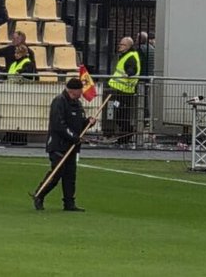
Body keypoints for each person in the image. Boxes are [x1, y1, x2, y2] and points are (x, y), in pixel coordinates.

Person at [31, 76, 94, 212]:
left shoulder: (77, 104)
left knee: (70, 175)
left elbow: (79, 126)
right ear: (72, 90)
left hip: (72, 146)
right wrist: (74, 137)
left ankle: (69, 203)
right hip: (58, 144)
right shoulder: (59, 101)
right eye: (79, 91)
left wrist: (88, 123)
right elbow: (58, 125)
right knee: (57, 172)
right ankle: (39, 194)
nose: (81, 94)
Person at [109, 35, 141, 142]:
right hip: (119, 91)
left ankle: (127, 134)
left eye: (122, 44)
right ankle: (124, 135)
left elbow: (133, 69)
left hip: (125, 92)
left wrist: (128, 74)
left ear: (128, 46)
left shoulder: (131, 56)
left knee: (121, 115)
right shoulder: (126, 55)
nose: (120, 46)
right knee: (117, 113)